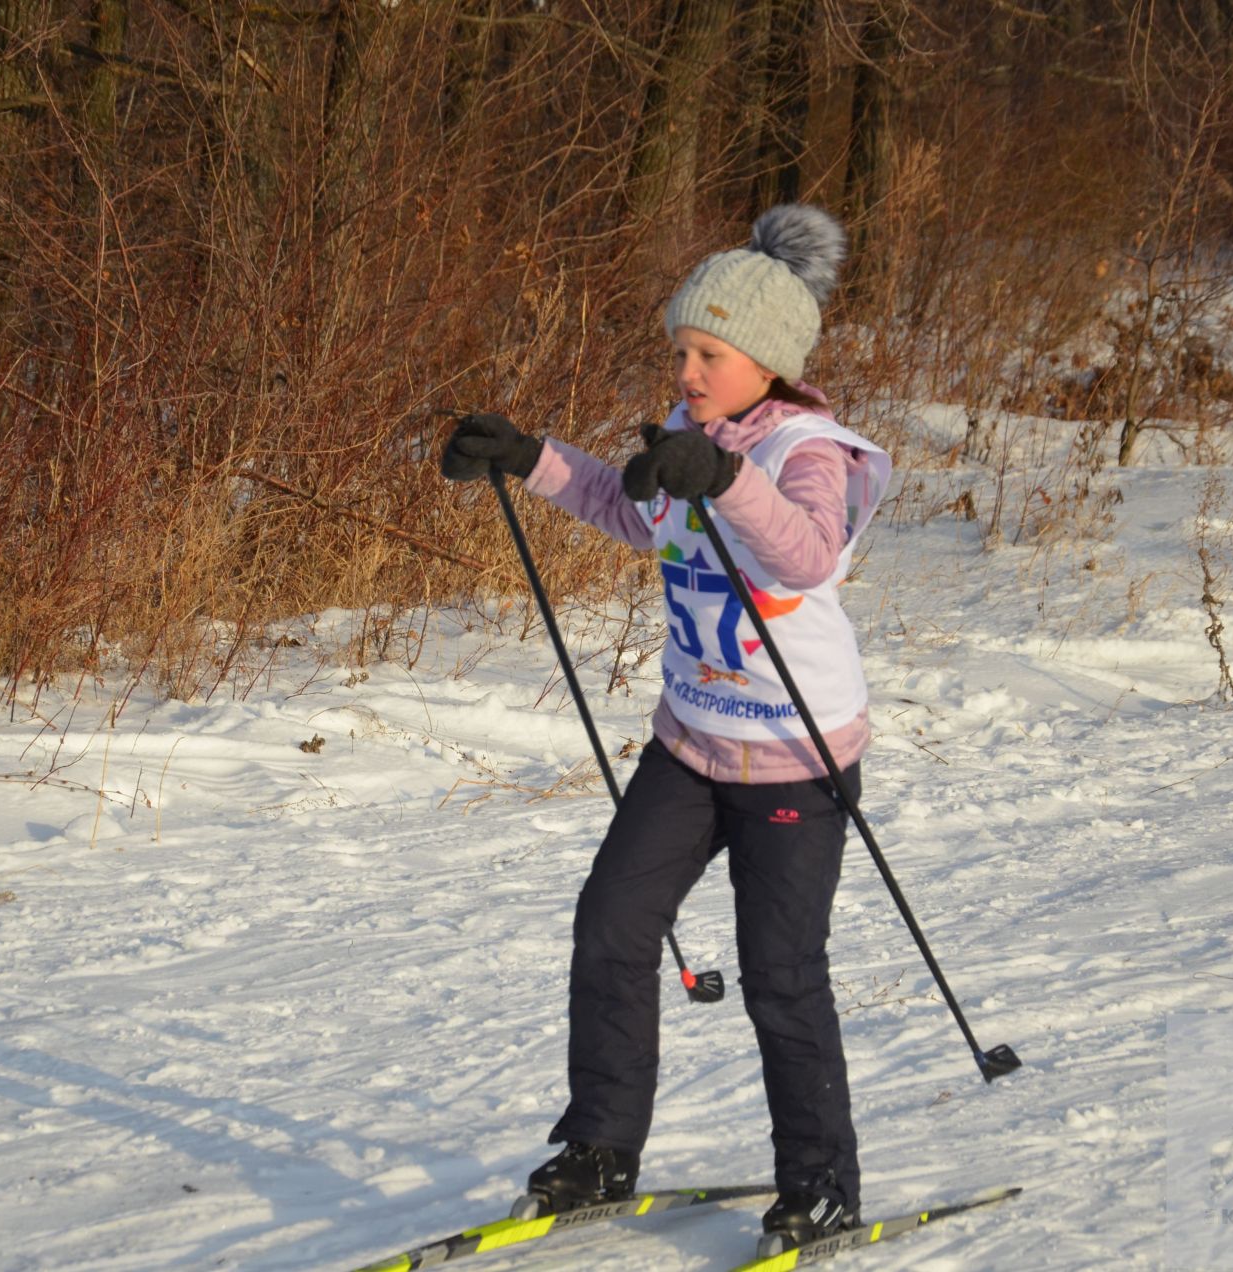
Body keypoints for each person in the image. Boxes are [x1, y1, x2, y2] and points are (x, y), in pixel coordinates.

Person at [439, 204, 892, 1251]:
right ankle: (601, 1145)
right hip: (691, 742)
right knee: (610, 927)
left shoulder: (811, 452)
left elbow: (810, 556)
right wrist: (528, 455)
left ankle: (821, 1182)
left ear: (768, 364)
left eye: (708, 354)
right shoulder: (686, 439)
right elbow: (624, 505)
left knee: (780, 974)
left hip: (795, 756)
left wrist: (731, 481)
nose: (685, 371)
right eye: (680, 350)